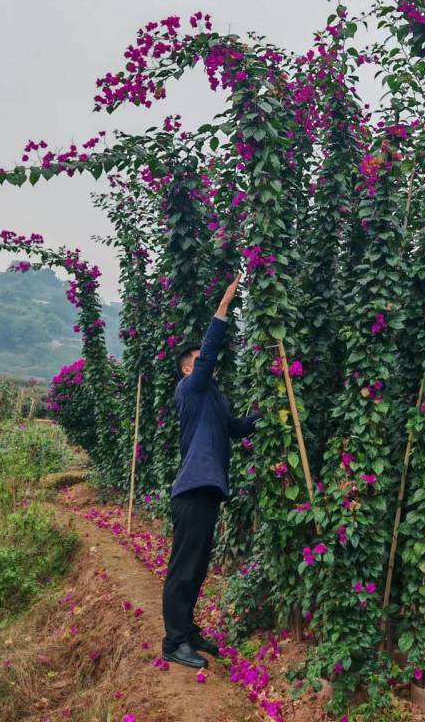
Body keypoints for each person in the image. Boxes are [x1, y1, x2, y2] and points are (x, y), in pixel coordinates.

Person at [161, 274, 260, 668]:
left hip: (208, 489)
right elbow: (209, 354)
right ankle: (173, 642)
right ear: (189, 370)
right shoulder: (191, 389)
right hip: (193, 489)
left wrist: (262, 415)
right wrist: (222, 309)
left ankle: (187, 631)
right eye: (198, 360)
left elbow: (234, 428)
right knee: (184, 567)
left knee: (198, 566)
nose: (205, 364)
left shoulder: (213, 400)